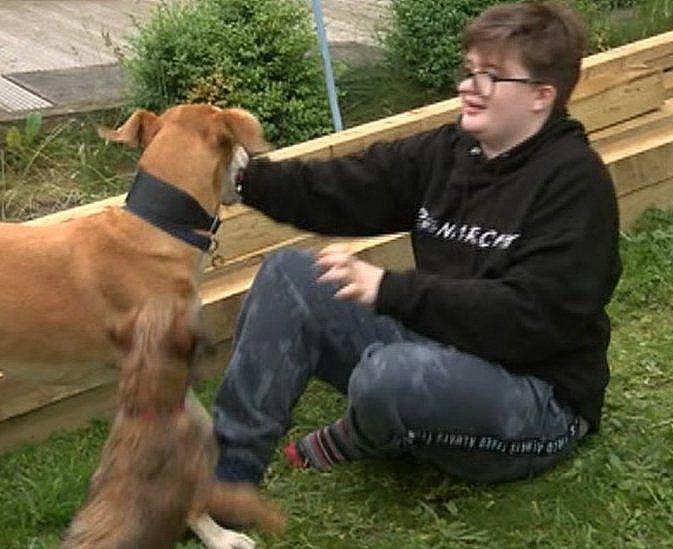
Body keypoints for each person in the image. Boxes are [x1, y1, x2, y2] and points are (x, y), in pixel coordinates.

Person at [212, 1, 621, 486]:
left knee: (390, 377)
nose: (468, 87)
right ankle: (228, 474)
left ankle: (360, 434)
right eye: (468, 70)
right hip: (445, 351)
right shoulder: (449, 153)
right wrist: (244, 180)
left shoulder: (575, 183)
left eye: (490, 75)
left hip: (536, 396)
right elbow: (348, 186)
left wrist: (391, 291)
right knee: (289, 276)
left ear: (540, 95)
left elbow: (532, 317)